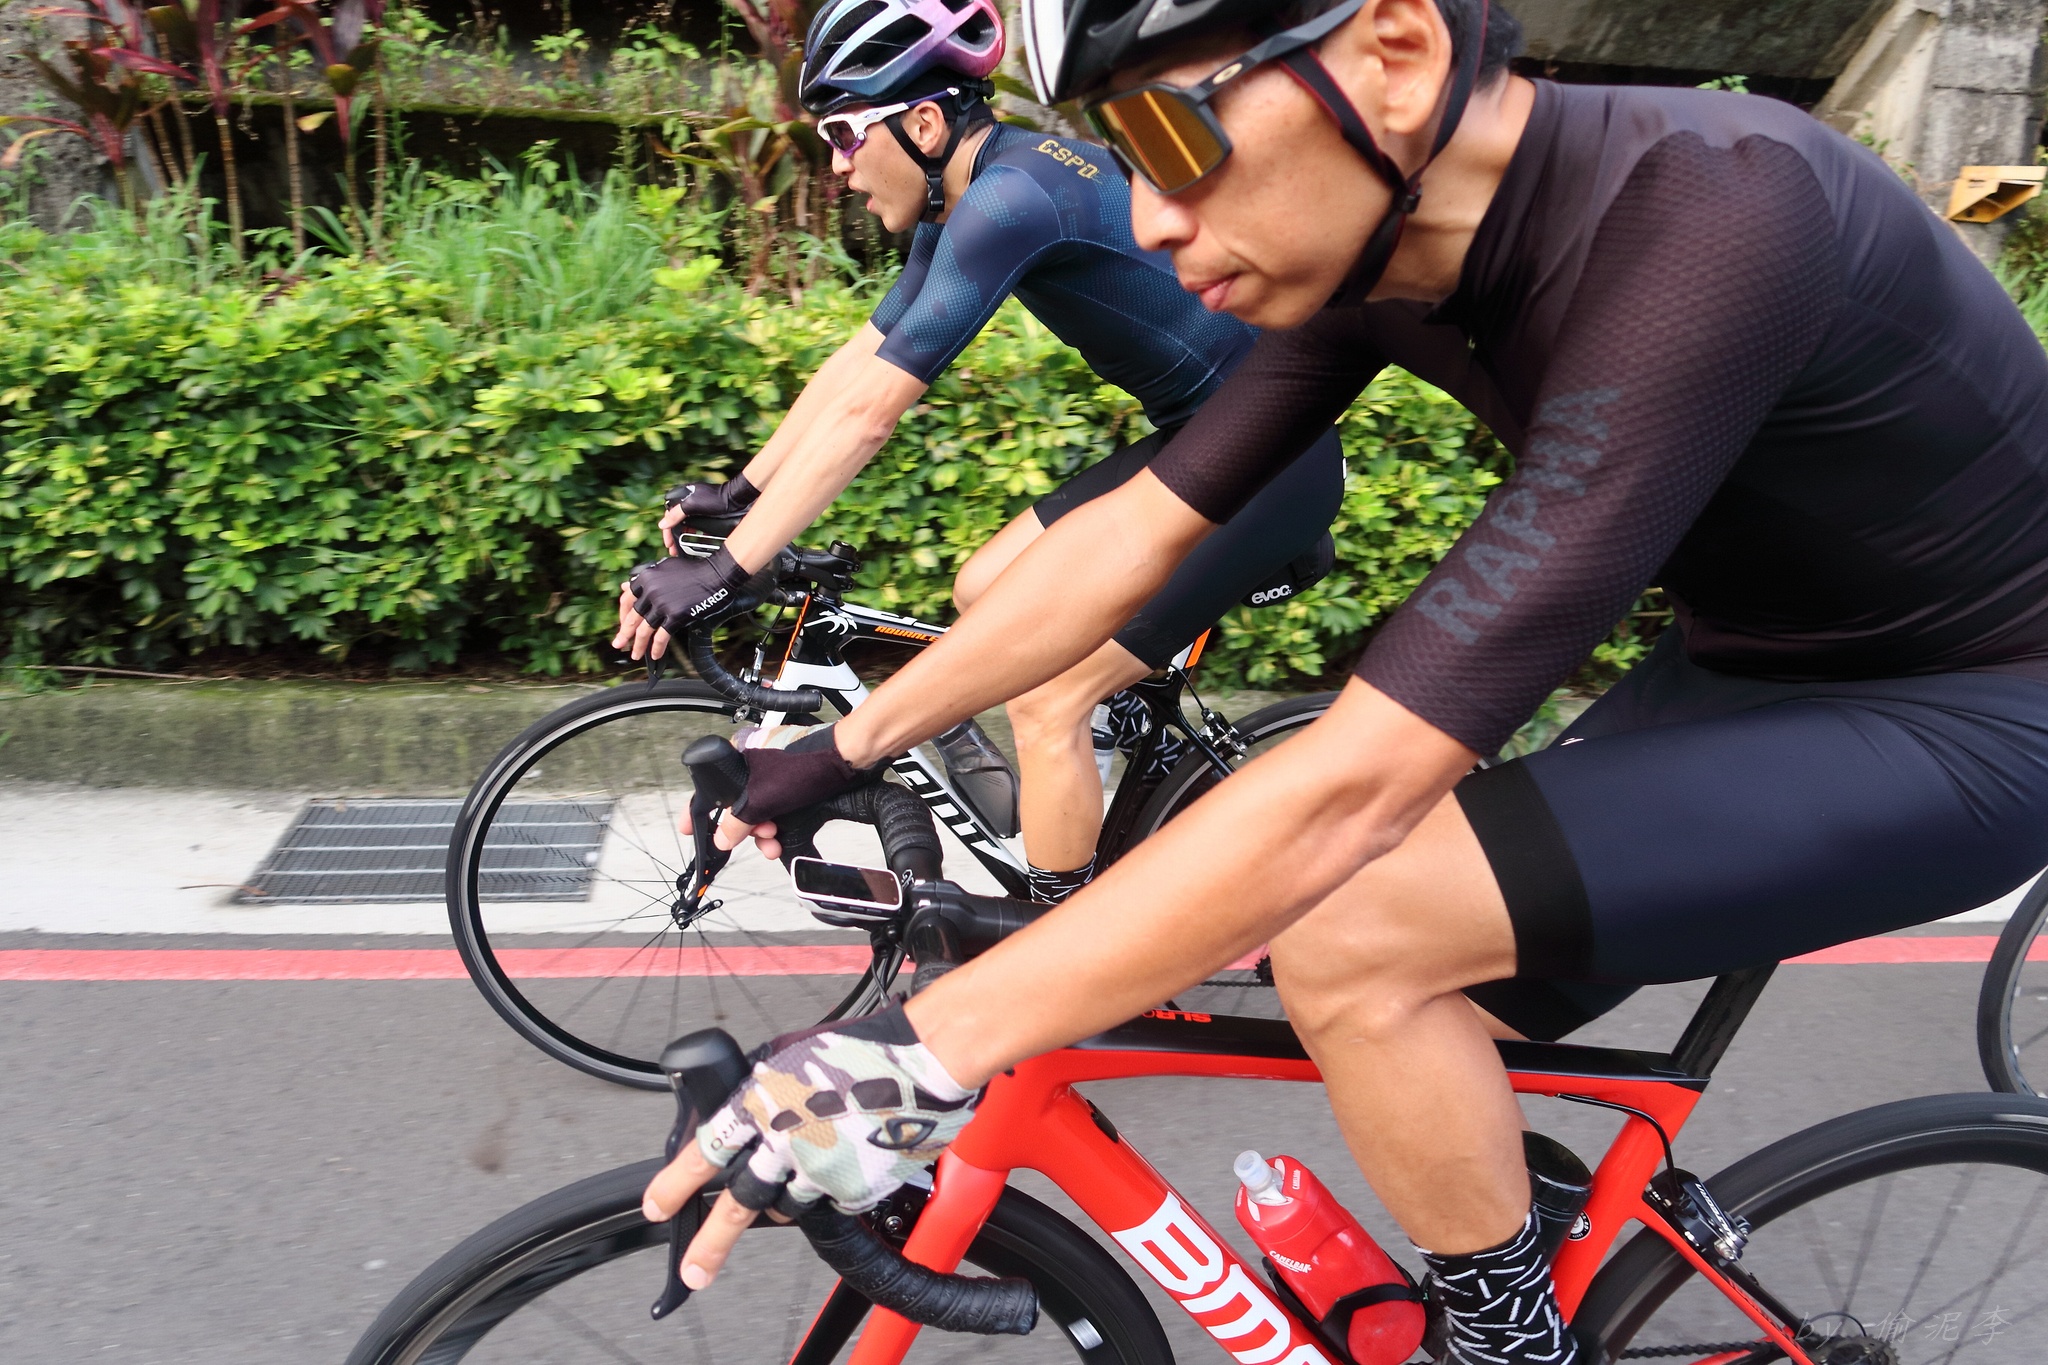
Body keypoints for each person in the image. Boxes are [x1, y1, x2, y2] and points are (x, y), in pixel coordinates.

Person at [639, 2, 2048, 1361]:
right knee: (1399, 1020)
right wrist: (840, 749)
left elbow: (1357, 786)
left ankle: (1511, 1350)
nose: (1149, 220)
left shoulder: (1717, 212)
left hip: (1976, 707)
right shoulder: (1376, 256)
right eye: (1121, 156)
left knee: (1353, 929)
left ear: (1396, 50)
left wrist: (914, 1053)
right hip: (1745, 664)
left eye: (1170, 135)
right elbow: (1132, 538)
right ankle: (1536, 1260)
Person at [616, 0, 1345, 905]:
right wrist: (742, 493)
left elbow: (872, 417)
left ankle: (1065, 945)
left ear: (923, 124)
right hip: (1212, 440)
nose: (837, 166)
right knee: (986, 590)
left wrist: (729, 567)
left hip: (1275, 466)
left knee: (1045, 695)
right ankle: (1121, 746)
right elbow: (863, 363)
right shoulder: (970, 194)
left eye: (843, 134)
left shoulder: (1011, 201)